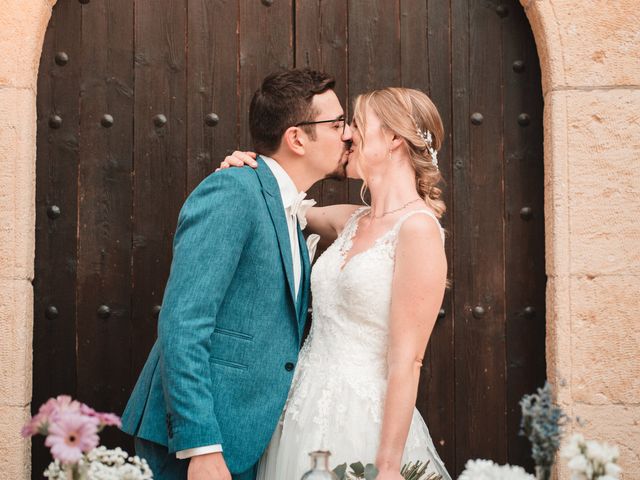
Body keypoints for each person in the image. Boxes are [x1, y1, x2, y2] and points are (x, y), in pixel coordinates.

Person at [120, 68, 352, 480]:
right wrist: (201, 444)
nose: (348, 134)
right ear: (297, 138)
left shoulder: (285, 207)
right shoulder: (231, 191)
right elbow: (184, 322)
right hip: (197, 445)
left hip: (244, 437)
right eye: (336, 124)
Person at [221, 87, 452, 480]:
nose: (348, 135)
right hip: (298, 410)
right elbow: (282, 200)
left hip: (361, 422)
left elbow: (407, 361)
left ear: (394, 138)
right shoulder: (351, 220)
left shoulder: (418, 230)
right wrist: (249, 167)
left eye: (358, 125)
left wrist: (389, 467)